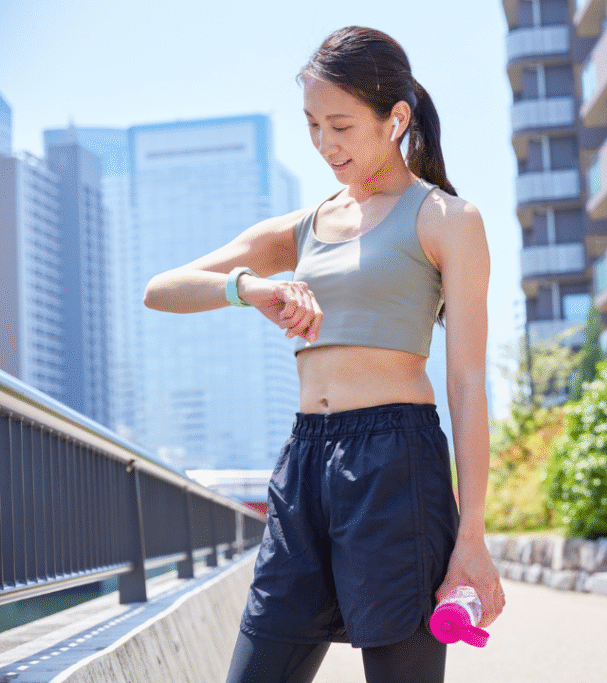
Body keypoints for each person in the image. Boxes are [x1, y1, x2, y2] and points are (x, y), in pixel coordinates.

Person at [144, 26, 503, 683]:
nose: (324, 144)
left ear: (395, 118)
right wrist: (249, 288)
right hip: (306, 461)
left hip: (398, 467)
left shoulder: (447, 219)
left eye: (340, 125)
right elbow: (160, 289)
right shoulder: (304, 226)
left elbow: (468, 382)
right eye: (312, 125)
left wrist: (472, 533)